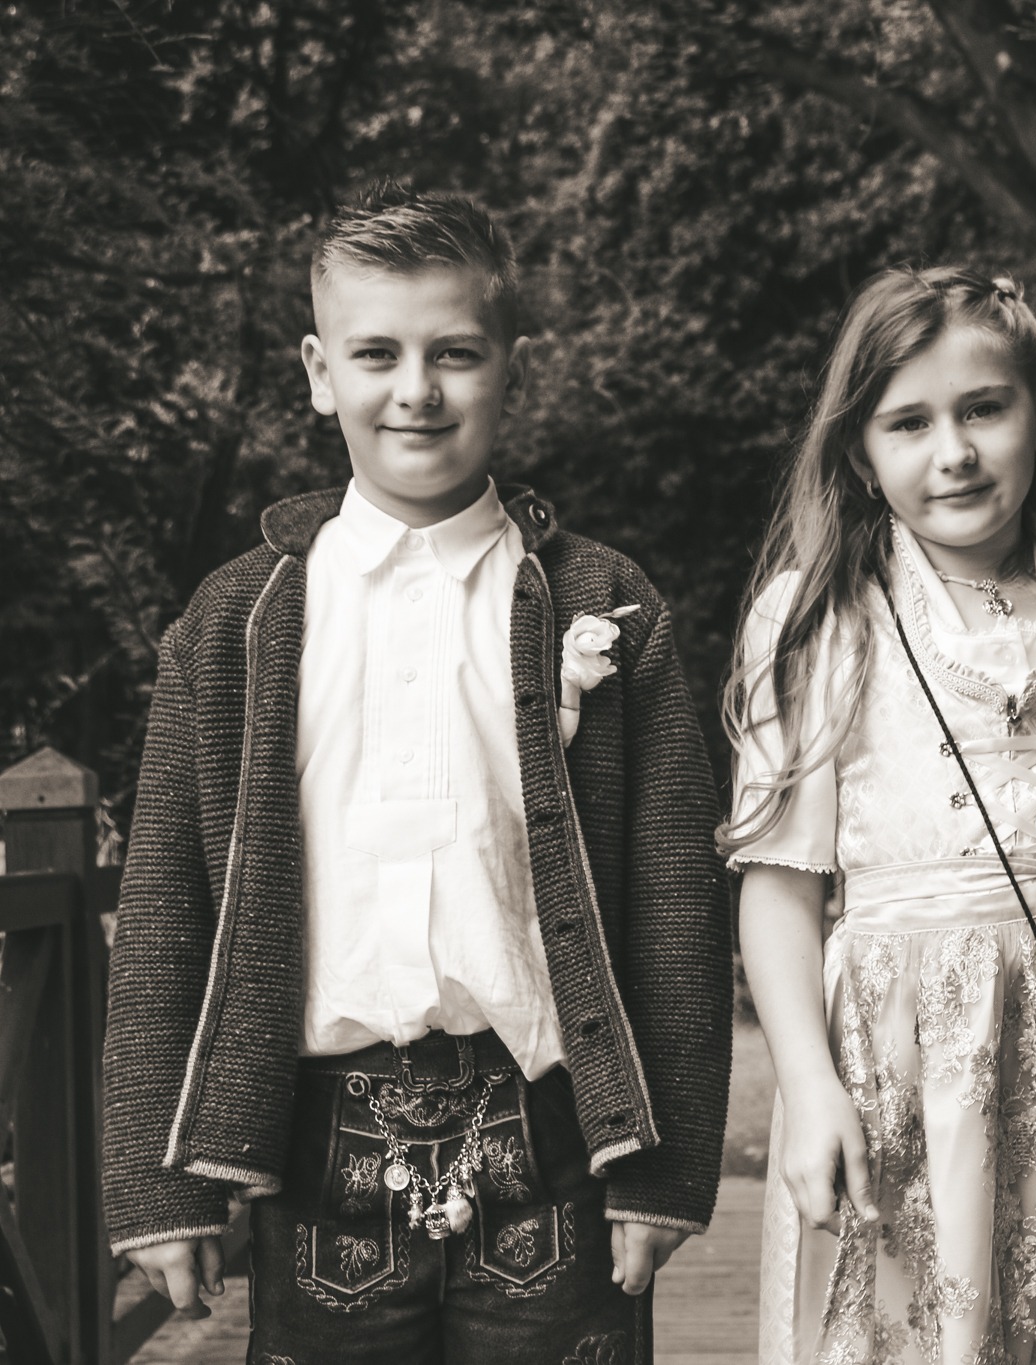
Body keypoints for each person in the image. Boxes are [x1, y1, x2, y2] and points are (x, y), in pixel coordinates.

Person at [101, 183, 733, 1363]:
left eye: (454, 353)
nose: (416, 390)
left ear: (511, 369)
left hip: (556, 1140)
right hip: (312, 1149)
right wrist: (157, 1183)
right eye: (376, 354)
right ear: (318, 372)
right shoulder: (231, 626)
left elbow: (676, 905)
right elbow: (163, 912)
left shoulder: (603, 600)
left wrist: (669, 1170)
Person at [724, 265, 1036, 1364]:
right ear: (860, 451)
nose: (951, 451)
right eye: (908, 422)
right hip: (904, 1063)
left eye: (982, 409)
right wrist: (806, 1086)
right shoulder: (819, 624)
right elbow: (779, 887)